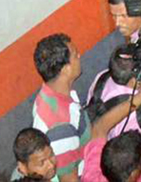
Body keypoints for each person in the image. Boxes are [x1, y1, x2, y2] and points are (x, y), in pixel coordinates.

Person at [33, 34, 92, 179]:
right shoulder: (60, 126)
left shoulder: (48, 94)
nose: (79, 56)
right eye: (75, 55)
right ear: (65, 69)